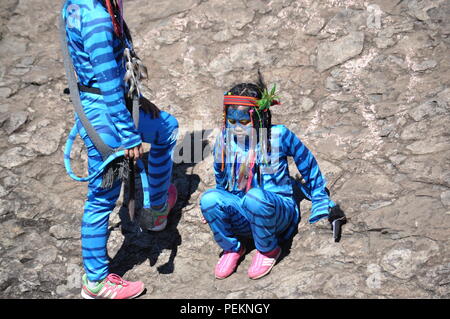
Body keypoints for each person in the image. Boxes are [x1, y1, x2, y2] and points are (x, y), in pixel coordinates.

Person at [61, 0, 178, 299]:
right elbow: (108, 82)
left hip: (114, 103)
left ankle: (154, 210)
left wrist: (136, 98)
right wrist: (128, 137)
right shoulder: (98, 18)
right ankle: (97, 282)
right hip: (106, 116)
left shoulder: (82, 4)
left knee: (165, 127)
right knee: (102, 197)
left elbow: (117, 65)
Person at [200, 74, 336, 280]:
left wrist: (319, 197)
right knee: (208, 199)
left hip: (277, 212)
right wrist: (218, 207)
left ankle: (268, 249)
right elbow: (221, 175)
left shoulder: (278, 135)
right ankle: (232, 248)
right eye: (231, 120)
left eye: (244, 120)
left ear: (259, 116)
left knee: (256, 197)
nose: (236, 126)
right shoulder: (224, 140)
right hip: (242, 210)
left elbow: (307, 162)